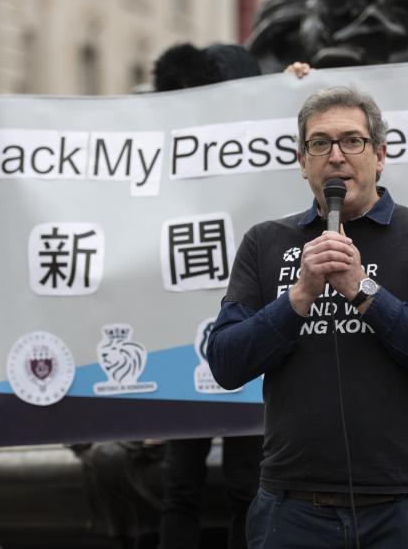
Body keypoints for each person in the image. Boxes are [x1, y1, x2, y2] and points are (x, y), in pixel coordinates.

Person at [206, 85, 408, 548]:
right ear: (302, 161)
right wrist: (298, 296)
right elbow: (225, 364)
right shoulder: (265, 242)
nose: (336, 155)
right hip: (291, 508)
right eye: (319, 143)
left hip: (404, 506)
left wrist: (361, 287)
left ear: (380, 155)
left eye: (352, 140)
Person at [153, 42, 264, 549]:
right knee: (181, 485)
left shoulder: (265, 151)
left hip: (245, 338)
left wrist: (296, 87)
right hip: (179, 340)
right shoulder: (163, 146)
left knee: (246, 485)